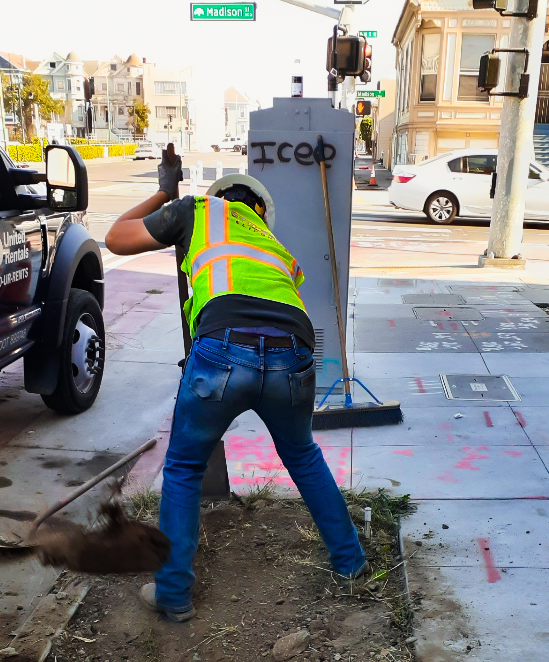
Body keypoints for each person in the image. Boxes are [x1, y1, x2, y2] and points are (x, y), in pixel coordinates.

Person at [105, 149, 366, 623]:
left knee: (184, 468)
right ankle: (349, 563)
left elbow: (115, 239)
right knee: (303, 456)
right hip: (293, 356)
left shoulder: (197, 212)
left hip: (223, 351)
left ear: (219, 198)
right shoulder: (273, 247)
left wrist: (165, 191)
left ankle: (173, 595)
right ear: (261, 212)